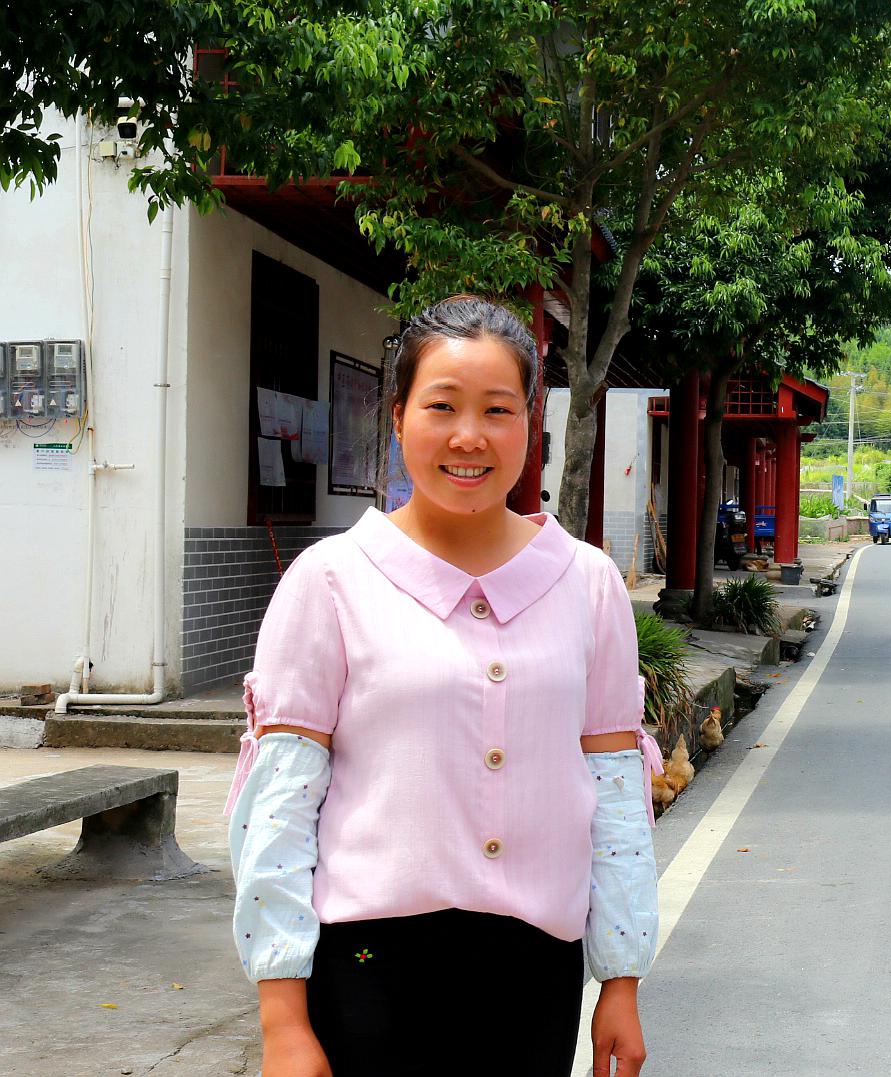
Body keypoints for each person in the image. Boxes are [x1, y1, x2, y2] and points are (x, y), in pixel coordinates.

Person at [225, 296, 661, 1077]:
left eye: (498, 410)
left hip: (536, 973)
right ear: (398, 418)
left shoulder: (587, 585)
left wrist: (619, 979)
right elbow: (281, 806)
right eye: (442, 406)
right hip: (368, 966)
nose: (469, 436)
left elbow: (615, 790)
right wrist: (281, 1018)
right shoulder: (330, 583)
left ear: (531, 424)